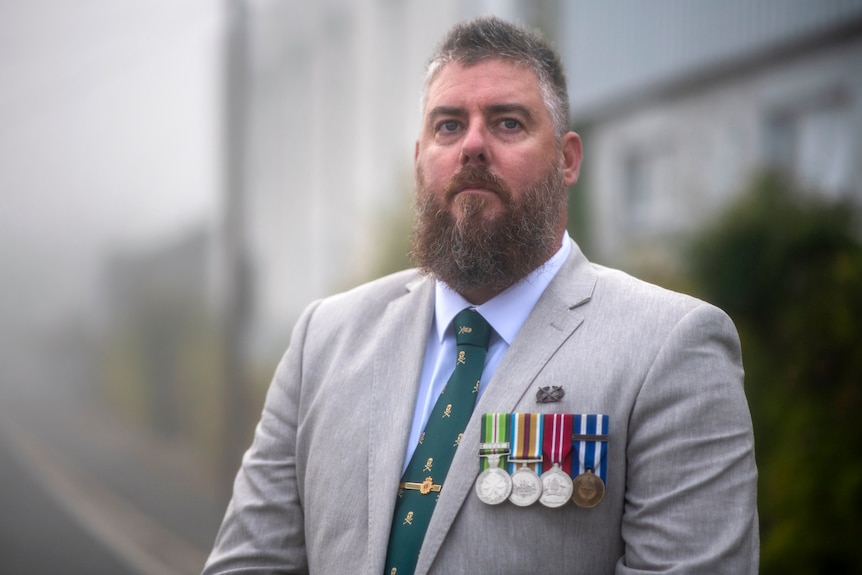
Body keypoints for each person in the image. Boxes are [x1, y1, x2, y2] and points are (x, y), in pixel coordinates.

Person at [203, 16, 759, 575]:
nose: (472, 145)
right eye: (449, 125)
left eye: (508, 123)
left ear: (567, 159)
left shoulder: (670, 348)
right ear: (419, 160)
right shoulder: (323, 341)